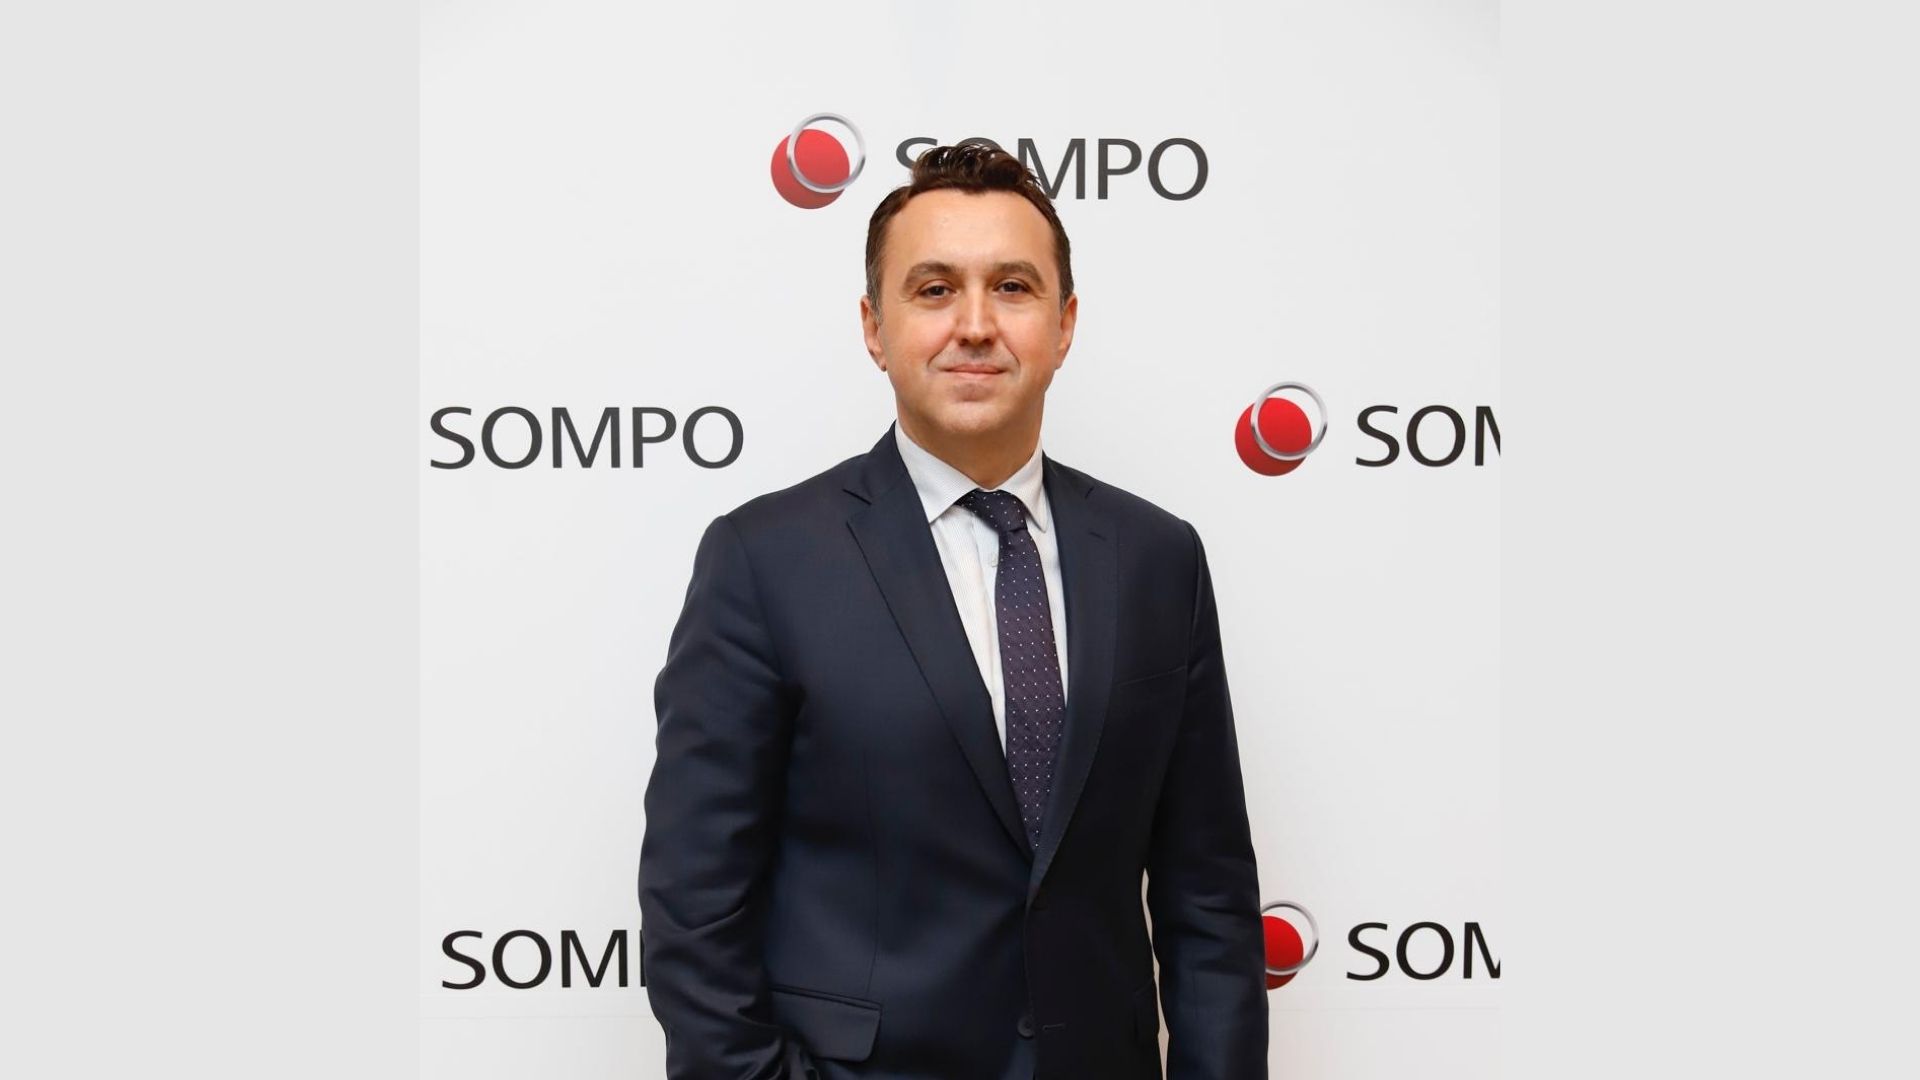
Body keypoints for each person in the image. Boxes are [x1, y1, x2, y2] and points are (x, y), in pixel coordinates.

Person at [639, 143, 1266, 1080]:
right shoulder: (764, 560)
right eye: (934, 290)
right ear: (874, 327)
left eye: (1012, 287)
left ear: (1064, 324)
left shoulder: (1157, 558)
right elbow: (695, 908)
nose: (975, 325)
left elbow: (1208, 896)